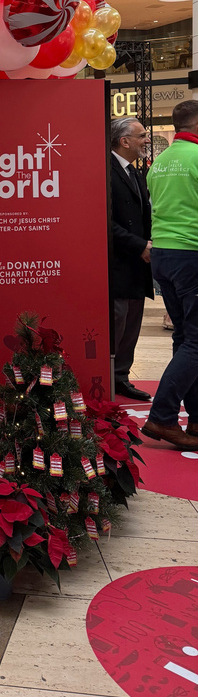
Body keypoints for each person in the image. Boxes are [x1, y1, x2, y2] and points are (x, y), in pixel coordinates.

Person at [142, 99, 198, 451]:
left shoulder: (158, 163)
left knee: (186, 337)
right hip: (191, 252)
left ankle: (195, 416)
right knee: (196, 340)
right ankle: (162, 417)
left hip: (164, 253)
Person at [109, 118, 153, 401]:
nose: (146, 140)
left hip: (138, 264)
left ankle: (121, 377)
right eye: (142, 135)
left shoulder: (136, 174)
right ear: (124, 141)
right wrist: (139, 245)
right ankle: (108, 378)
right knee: (118, 321)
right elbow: (105, 221)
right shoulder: (104, 171)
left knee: (132, 323)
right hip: (117, 263)